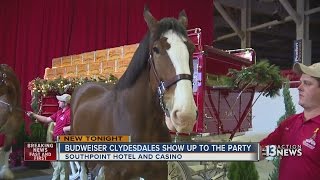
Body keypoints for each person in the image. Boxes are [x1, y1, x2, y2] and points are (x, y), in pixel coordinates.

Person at [260, 62, 320, 179]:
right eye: (300, 82)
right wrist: (219, 151)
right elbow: (264, 150)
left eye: (307, 83)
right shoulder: (291, 122)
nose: (299, 87)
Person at [27, 93, 72, 180]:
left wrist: (65, 129)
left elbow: (75, 125)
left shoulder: (70, 113)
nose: (58, 102)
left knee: (62, 165)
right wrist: (34, 115)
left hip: (64, 141)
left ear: (65, 103)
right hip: (57, 141)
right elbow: (47, 120)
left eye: (60, 101)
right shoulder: (59, 112)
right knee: (58, 165)